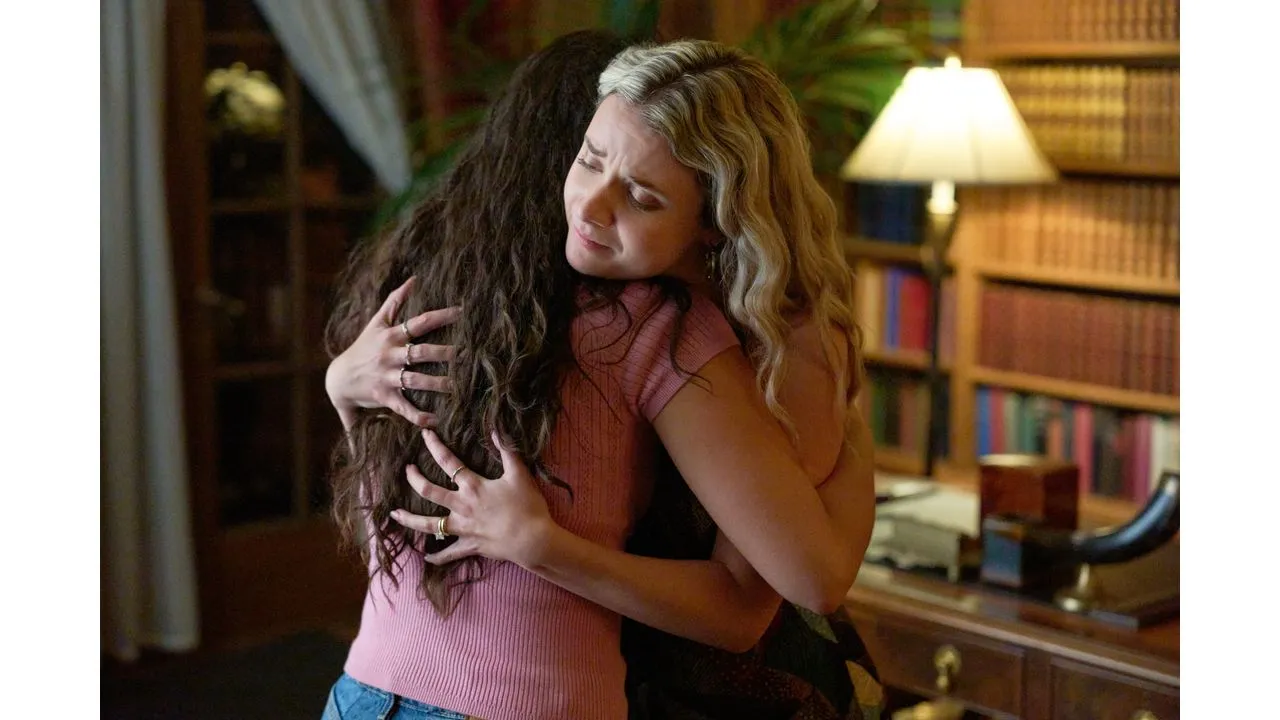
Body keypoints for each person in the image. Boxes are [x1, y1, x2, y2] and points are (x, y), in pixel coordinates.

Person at [321, 31, 877, 720]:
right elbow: (791, 589)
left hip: (362, 694)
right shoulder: (657, 329)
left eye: (643, 198)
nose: (589, 207)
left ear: (716, 221)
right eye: (588, 160)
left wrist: (338, 387)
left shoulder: (437, 279)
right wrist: (853, 436)